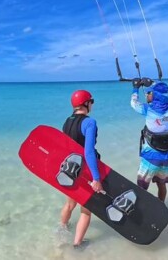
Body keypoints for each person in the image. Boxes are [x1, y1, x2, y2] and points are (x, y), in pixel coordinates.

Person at [59, 89, 104, 248]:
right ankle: (77, 244)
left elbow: (66, 147)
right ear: (86, 103)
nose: (92, 105)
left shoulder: (67, 121)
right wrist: (96, 178)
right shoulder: (89, 122)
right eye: (91, 102)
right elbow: (89, 151)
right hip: (85, 170)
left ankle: (62, 230)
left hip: (71, 168)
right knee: (86, 209)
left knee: (70, 204)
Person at [130, 78, 168, 202]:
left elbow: (134, 103)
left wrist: (135, 88)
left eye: (149, 93)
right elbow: (163, 93)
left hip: (150, 160)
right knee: (161, 185)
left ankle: (141, 212)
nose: (147, 94)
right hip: (166, 160)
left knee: (140, 189)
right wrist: (152, 84)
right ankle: (161, 206)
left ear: (155, 96)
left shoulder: (148, 110)